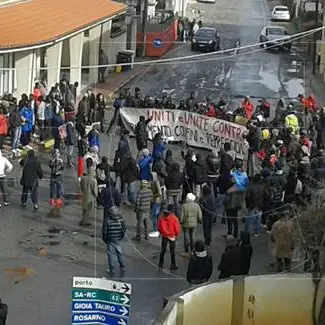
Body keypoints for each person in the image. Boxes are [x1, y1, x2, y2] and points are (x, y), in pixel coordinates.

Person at [102, 206, 126, 274]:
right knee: (119, 253)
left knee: (110, 254)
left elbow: (104, 231)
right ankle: (122, 266)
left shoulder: (107, 220)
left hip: (110, 239)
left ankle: (111, 269)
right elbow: (124, 229)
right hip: (118, 239)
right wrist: (121, 237)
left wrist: (105, 239)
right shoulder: (121, 220)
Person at [158, 204, 181, 270]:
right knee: (172, 251)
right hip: (172, 235)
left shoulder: (163, 217)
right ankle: (173, 265)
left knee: (163, 250)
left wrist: (161, 232)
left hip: (164, 235)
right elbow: (177, 228)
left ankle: (161, 263)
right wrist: (176, 234)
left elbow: (159, 226)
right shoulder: (174, 218)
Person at [150, 171, 162, 238]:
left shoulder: (156, 182)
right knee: (156, 216)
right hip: (156, 201)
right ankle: (157, 229)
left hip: (156, 201)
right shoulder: (154, 182)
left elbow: (159, 192)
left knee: (155, 215)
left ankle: (155, 230)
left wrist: (153, 195)